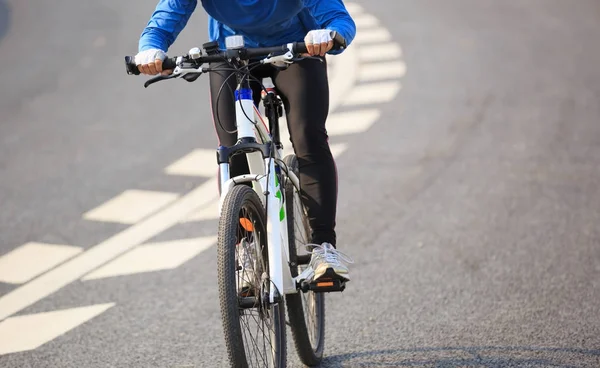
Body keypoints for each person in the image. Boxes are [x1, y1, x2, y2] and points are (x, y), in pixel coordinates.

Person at [135, 0, 355, 283]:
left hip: (296, 50)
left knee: (307, 136)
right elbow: (166, 18)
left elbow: (340, 20)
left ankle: (324, 248)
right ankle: (246, 248)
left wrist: (330, 35)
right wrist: (150, 49)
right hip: (231, 55)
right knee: (232, 149)